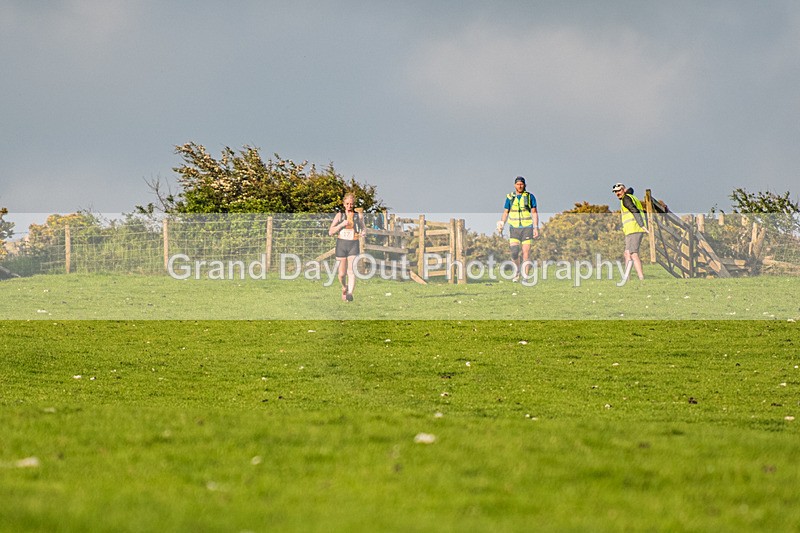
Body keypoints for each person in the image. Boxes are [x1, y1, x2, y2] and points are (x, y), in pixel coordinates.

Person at [497, 176, 539, 281]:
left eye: (521, 184)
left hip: (527, 227)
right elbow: (506, 212)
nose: (519, 186)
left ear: (524, 185)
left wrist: (535, 227)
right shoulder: (510, 197)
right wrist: (502, 223)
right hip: (514, 228)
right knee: (514, 252)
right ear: (515, 185)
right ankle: (517, 271)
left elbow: (534, 212)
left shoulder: (530, 197)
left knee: (526, 253)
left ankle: (525, 277)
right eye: (518, 184)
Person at [328, 192, 364, 301]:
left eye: (351, 204)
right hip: (341, 245)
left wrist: (363, 232)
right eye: (347, 204)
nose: (349, 206)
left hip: (353, 244)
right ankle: (344, 287)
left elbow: (363, 228)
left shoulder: (358, 216)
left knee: (351, 271)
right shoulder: (340, 215)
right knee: (342, 274)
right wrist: (341, 224)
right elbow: (331, 232)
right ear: (344, 204)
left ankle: (350, 294)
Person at [612, 182, 649, 280]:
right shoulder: (631, 197)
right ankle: (627, 278)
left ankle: (641, 277)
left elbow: (634, 210)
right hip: (631, 230)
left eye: (619, 191)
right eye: (615, 192)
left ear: (624, 189)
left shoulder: (626, 199)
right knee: (627, 253)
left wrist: (642, 225)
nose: (617, 193)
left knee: (633, 253)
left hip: (634, 229)